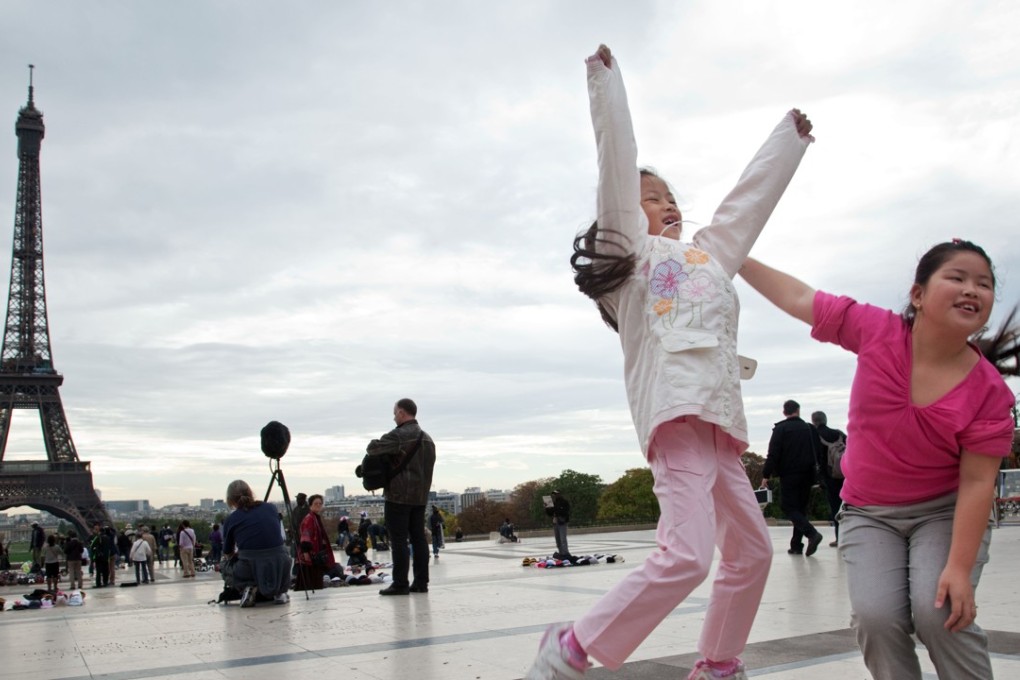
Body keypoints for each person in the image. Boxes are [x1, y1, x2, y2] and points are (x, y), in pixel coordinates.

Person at [526, 45, 813, 680]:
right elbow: (617, 162)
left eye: (670, 195)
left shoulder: (709, 256)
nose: (668, 203)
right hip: (675, 416)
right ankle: (572, 644)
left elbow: (745, 207)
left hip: (719, 424)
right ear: (627, 213)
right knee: (687, 554)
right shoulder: (630, 261)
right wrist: (606, 84)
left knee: (753, 552)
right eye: (652, 198)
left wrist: (787, 142)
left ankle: (716, 664)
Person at [738, 239, 1018, 679]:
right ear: (918, 295)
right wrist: (733, 252)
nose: (971, 290)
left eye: (983, 285)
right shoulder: (879, 331)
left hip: (942, 512)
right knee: (876, 618)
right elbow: (798, 298)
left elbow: (979, 482)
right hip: (869, 512)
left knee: (939, 614)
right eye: (957, 278)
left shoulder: (988, 392)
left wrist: (959, 569)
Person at [365, 398, 437, 596]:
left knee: (398, 541)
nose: (394, 416)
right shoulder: (428, 439)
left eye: (395, 412)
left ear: (402, 413)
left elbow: (372, 449)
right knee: (419, 539)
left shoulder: (399, 435)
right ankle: (421, 583)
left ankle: (400, 583)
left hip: (398, 496)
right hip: (420, 497)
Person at [762, 400, 825, 556]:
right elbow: (819, 453)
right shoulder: (810, 429)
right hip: (808, 474)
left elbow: (773, 454)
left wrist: (766, 474)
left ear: (784, 412)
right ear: (798, 410)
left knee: (788, 507)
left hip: (789, 474)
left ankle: (811, 534)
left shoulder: (781, 429)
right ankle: (796, 545)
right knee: (800, 509)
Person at [221, 479, 293, 607]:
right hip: (280, 563)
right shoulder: (270, 508)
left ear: (230, 499)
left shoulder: (232, 519)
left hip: (249, 566)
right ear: (250, 492)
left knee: (224, 565)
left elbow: (227, 552)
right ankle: (280, 591)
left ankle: (247, 586)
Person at [811, 411, 847, 547]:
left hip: (829, 477)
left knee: (835, 507)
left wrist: (818, 479)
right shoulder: (839, 434)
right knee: (846, 506)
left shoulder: (816, 436)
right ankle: (848, 535)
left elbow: (816, 459)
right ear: (825, 420)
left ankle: (839, 538)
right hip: (844, 474)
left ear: (814, 421)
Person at [297, 494, 345, 588]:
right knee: (309, 583)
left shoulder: (314, 517)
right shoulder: (309, 519)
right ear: (310, 505)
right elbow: (305, 537)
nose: (318, 505)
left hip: (315, 557)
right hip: (310, 558)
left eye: (320, 503)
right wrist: (306, 553)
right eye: (316, 503)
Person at [545, 491, 571, 558]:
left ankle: (565, 553)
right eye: (554, 494)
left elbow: (565, 511)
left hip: (562, 521)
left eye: (556, 494)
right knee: (558, 539)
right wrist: (547, 508)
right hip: (555, 521)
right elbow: (550, 513)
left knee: (563, 539)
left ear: (559, 494)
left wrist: (556, 509)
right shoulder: (553, 503)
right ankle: (561, 553)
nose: (555, 496)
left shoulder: (564, 502)